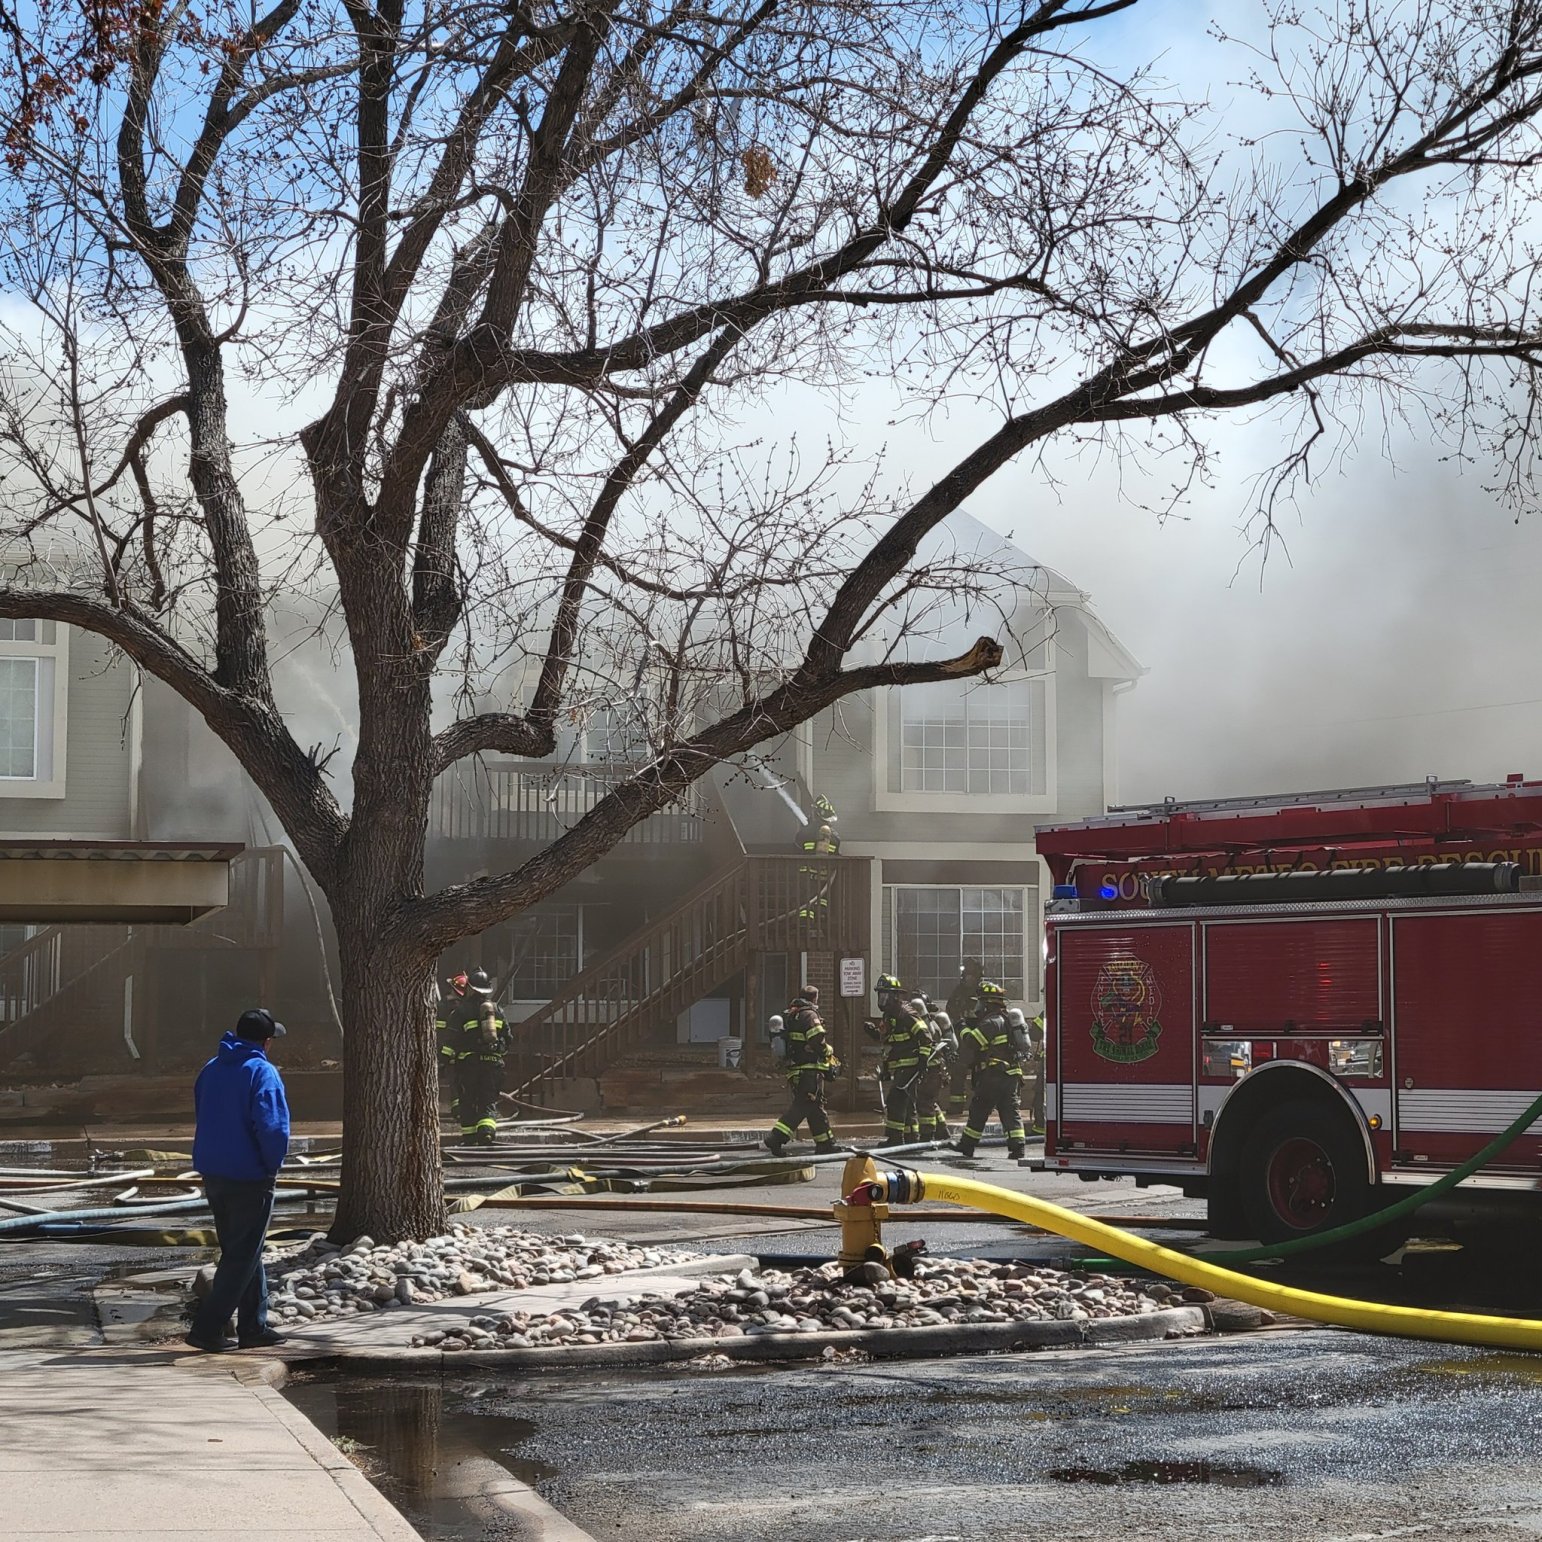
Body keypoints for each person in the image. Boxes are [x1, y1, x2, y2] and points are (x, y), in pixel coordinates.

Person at [185, 1007, 291, 1353]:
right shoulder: (262, 1072)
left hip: (214, 1172)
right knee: (241, 1256)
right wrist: (271, 1166)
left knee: (244, 1250)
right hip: (250, 1174)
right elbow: (273, 1127)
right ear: (266, 1041)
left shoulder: (211, 1068)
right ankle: (207, 1328)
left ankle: (253, 1326)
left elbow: (204, 1112)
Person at [954, 980, 1027, 1160]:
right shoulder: (1006, 1020)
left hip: (993, 1075)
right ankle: (1017, 1147)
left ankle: (967, 1146)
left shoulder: (991, 1022)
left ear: (987, 1003)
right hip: (1011, 1075)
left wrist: (961, 1027)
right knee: (1010, 1111)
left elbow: (972, 1042)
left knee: (979, 1108)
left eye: (980, 1001)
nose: (978, 1005)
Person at [764, 985, 840, 1155]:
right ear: (815, 998)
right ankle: (776, 1137)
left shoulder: (791, 1014)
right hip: (809, 1070)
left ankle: (825, 1144)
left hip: (797, 1069)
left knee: (815, 1108)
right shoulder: (809, 1014)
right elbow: (816, 1040)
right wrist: (828, 1051)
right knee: (801, 1106)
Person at [864, 974, 926, 1147]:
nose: (882, 999)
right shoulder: (889, 1015)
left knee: (895, 1100)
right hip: (899, 1065)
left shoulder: (905, 1013)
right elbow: (888, 1039)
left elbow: (925, 1036)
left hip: (910, 1064)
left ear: (895, 996)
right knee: (906, 1101)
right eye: (880, 995)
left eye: (886, 995)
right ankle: (911, 1137)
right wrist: (873, 1033)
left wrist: (923, 1060)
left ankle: (895, 1138)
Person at [451, 968, 508, 1144]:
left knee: (467, 1101)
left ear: (470, 988)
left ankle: (469, 1139)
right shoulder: (498, 1010)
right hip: (493, 1064)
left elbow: (451, 1039)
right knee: (488, 1100)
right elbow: (508, 1038)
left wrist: (447, 1059)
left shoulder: (461, 1011)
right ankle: (487, 1133)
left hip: (469, 1065)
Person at [946, 957, 985, 1112]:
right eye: (966, 974)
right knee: (958, 1071)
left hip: (982, 1038)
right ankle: (956, 1105)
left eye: (971, 975)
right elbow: (950, 1008)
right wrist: (959, 1017)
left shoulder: (984, 991)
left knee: (983, 1073)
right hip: (963, 1040)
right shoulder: (959, 991)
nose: (969, 978)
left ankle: (983, 1105)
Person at [914, 1001, 955, 1143]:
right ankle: (942, 1130)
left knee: (924, 1102)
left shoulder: (924, 1027)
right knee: (931, 1101)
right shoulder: (934, 1025)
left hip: (929, 1071)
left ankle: (927, 1135)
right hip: (938, 1070)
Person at [796, 798, 841, 923]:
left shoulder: (805, 832)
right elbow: (836, 853)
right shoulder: (835, 837)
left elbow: (797, 846)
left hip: (806, 874)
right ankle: (821, 921)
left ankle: (805, 924)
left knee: (806, 901)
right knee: (822, 900)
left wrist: (808, 826)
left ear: (816, 814)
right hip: (825, 876)